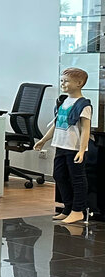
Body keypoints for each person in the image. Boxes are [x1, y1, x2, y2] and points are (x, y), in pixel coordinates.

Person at [34, 66, 93, 224]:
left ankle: (78, 210)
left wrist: (82, 150)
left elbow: (86, 129)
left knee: (77, 178)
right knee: (59, 175)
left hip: (74, 148)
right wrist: (43, 140)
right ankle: (67, 208)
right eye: (61, 81)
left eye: (66, 81)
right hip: (60, 146)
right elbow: (57, 124)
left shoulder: (83, 105)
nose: (62, 84)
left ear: (79, 83)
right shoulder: (64, 101)